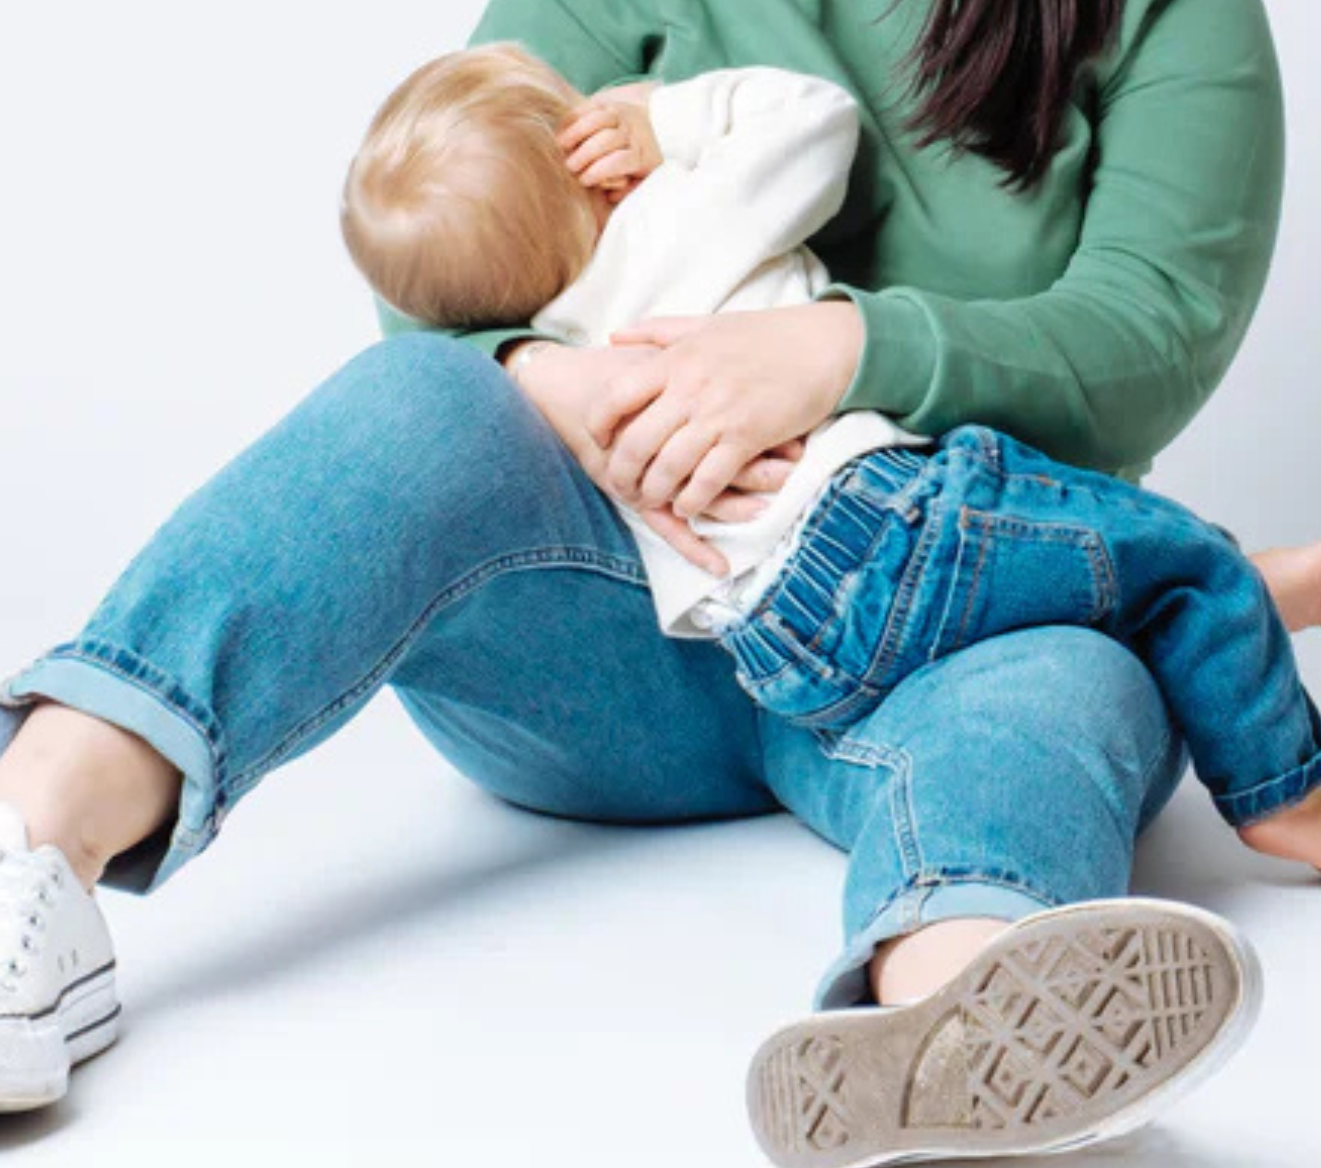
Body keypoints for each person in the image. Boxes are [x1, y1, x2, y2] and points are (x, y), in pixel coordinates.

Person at [0, 0, 1318, 1168]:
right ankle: (22, 874)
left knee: (1064, 672)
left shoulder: (1174, 4)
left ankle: (958, 1000)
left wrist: (840, 353)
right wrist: (566, 381)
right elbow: (442, 282)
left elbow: (1140, 332)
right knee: (417, 412)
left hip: (933, 625)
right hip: (601, 640)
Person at [339, 43, 1321, 868]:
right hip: (880, 523)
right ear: (596, 174)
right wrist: (663, 119)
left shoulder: (557, 370)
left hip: (776, 647)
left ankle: (1250, 595)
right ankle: (1282, 791)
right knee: (1179, 562)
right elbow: (814, 121)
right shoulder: (670, 224)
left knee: (1083, 576)